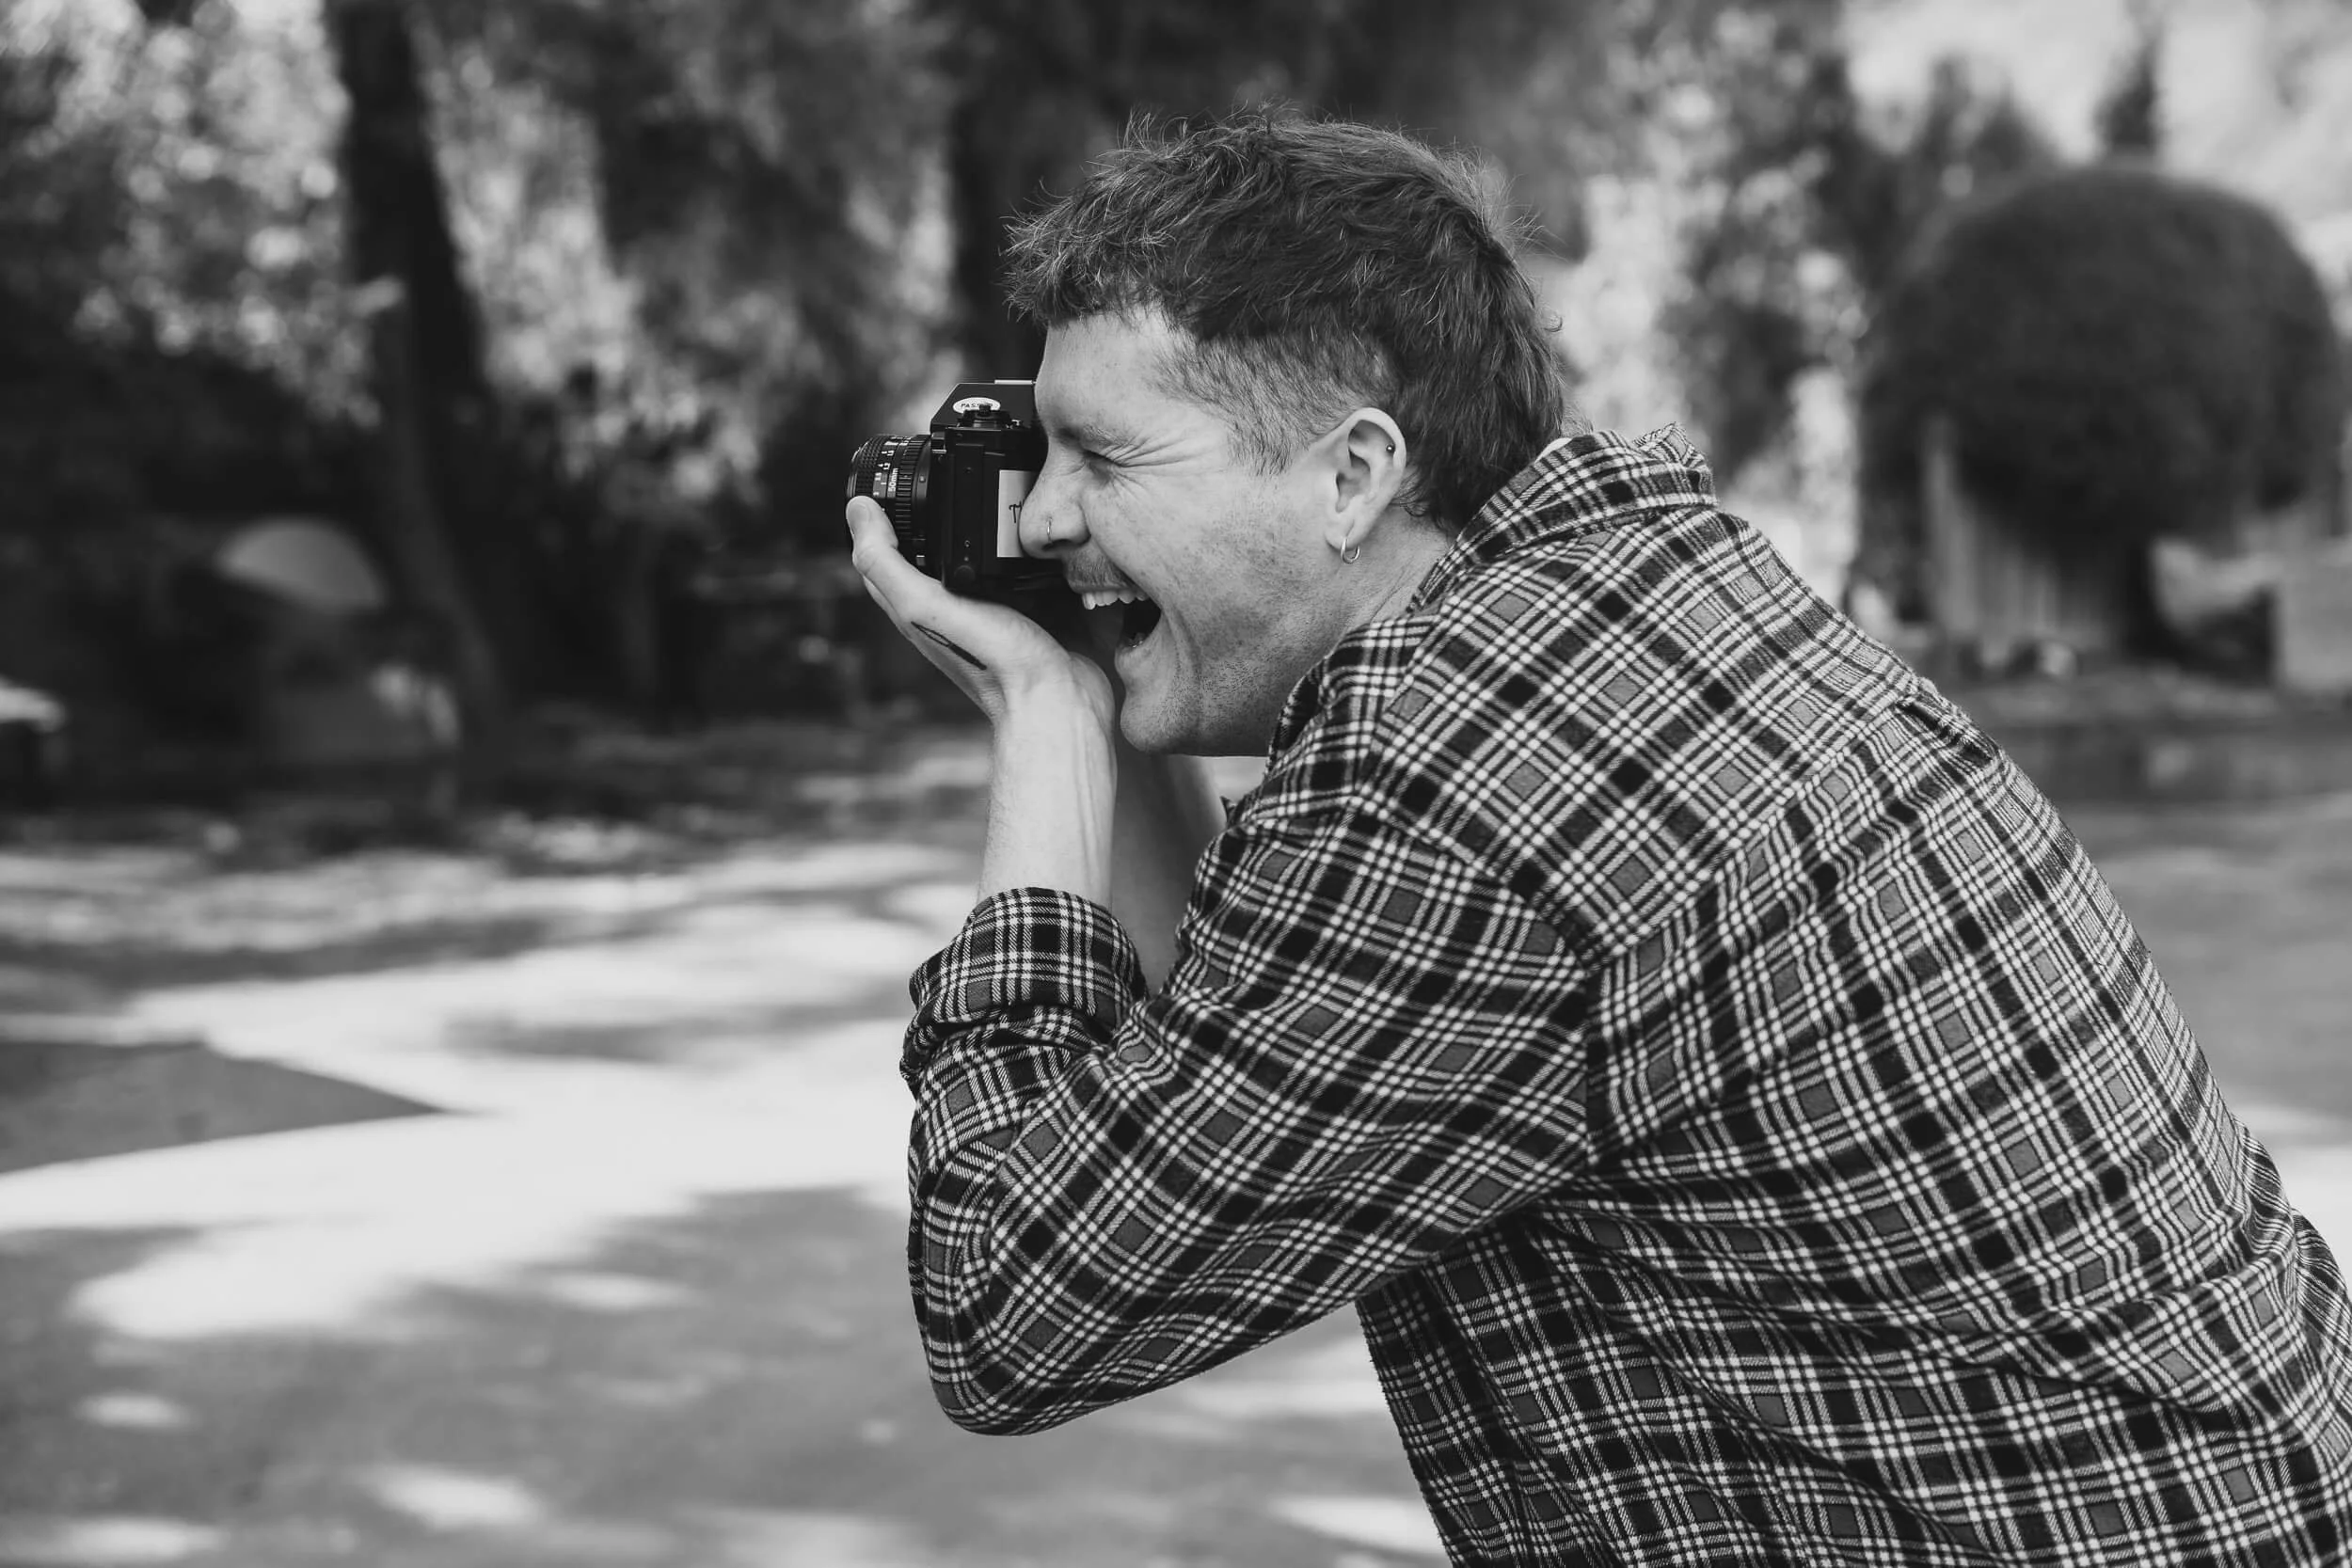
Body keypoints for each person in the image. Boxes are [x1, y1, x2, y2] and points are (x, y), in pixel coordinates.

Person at [846, 109, 2352, 1565]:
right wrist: (1101, 686)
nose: (1040, 518)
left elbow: (1010, 1303)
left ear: (1353, 475)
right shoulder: (1631, 598)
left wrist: (1045, 733)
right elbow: (1219, 1084)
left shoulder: (1452, 786)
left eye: (1102, 462)